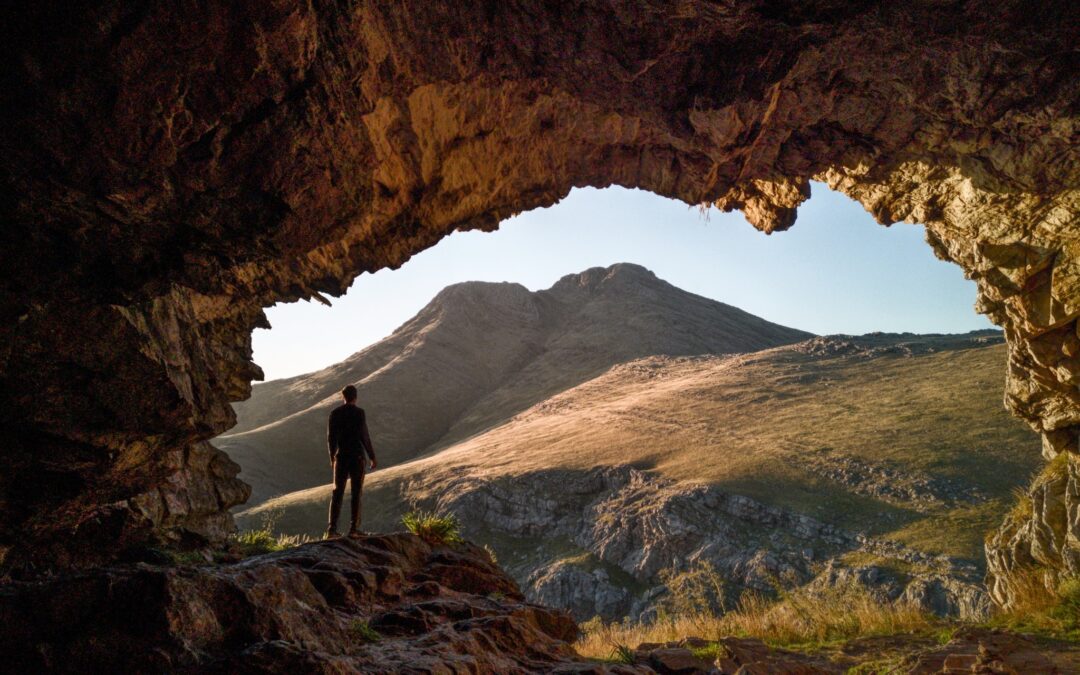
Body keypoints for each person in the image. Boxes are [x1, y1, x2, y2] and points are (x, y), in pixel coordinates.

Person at [326, 384, 377, 538]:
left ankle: (332, 530)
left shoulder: (334, 413)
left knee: (337, 493)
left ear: (343, 397)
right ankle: (354, 529)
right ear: (355, 397)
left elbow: (331, 438)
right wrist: (372, 456)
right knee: (356, 493)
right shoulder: (359, 413)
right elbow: (364, 436)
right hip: (357, 457)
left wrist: (332, 456)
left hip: (341, 457)